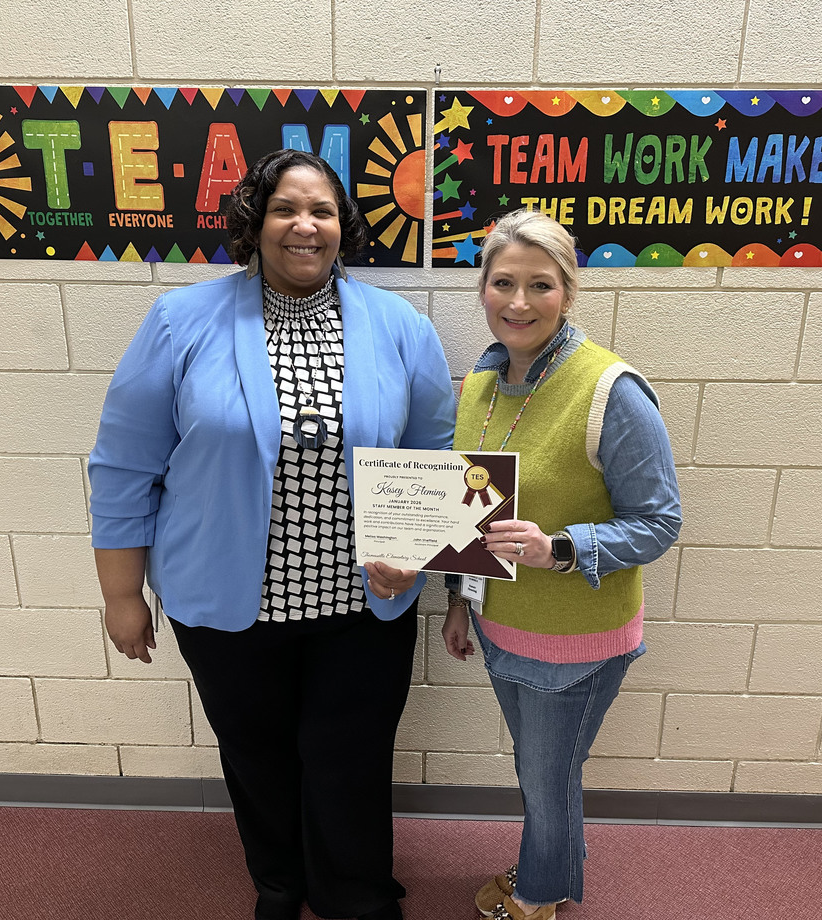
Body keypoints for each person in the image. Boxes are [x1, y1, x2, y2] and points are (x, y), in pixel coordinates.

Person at [89, 149, 456, 920]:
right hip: (228, 606)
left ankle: (352, 893)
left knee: (350, 762)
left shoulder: (399, 326)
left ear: (343, 227)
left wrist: (415, 555)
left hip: (362, 605)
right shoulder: (180, 322)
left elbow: (433, 460)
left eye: (322, 210)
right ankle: (281, 886)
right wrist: (121, 594)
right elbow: (124, 463)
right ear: (255, 221)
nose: (305, 225)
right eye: (287, 208)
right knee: (257, 759)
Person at [441, 209, 681, 920]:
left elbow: (661, 521)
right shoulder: (481, 384)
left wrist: (562, 548)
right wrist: (460, 598)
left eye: (540, 285)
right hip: (502, 628)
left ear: (569, 292)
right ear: (482, 289)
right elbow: (469, 505)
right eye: (504, 283)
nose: (519, 302)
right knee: (541, 771)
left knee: (547, 779)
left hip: (576, 641)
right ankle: (550, 869)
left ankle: (540, 895)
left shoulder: (612, 390)